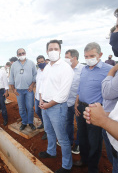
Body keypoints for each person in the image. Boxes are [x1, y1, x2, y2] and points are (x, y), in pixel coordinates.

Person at [84, 2, 118, 173]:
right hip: (106, 120)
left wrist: (104, 119)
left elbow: (107, 91)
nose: (115, 32)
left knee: (96, 145)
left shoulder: (109, 68)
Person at [74, 42, 112, 173]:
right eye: (86, 56)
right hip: (81, 107)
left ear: (100, 55)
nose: (89, 58)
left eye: (92, 55)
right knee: (82, 137)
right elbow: (80, 86)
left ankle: (92, 168)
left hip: (95, 110)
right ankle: (84, 160)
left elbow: (112, 91)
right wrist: (76, 102)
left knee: (94, 141)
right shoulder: (84, 69)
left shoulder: (108, 70)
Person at [38, 40, 74, 173]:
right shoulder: (47, 67)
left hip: (57, 107)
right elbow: (42, 85)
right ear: (47, 51)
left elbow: (63, 94)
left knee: (62, 137)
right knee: (49, 131)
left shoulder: (65, 68)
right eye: (50, 49)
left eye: (55, 48)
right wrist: (41, 100)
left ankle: (67, 166)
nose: (53, 51)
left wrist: (48, 104)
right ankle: (51, 151)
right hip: (45, 105)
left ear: (60, 51)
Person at [9, 48, 37, 131]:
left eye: (23, 53)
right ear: (17, 55)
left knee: (30, 107)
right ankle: (24, 122)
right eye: (20, 54)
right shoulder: (14, 65)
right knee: (21, 108)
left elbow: (35, 75)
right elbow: (11, 78)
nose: (21, 55)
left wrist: (32, 85)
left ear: (25, 53)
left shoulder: (31, 63)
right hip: (18, 91)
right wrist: (13, 89)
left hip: (29, 90)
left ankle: (30, 122)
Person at [64, 49, 84, 155]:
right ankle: (69, 140)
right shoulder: (66, 69)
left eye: (67, 57)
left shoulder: (83, 69)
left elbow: (83, 87)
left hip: (78, 103)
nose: (65, 59)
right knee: (68, 122)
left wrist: (78, 101)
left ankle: (78, 144)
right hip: (67, 101)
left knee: (80, 125)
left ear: (74, 58)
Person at [35, 55, 47, 140]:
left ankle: (47, 131)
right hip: (37, 97)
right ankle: (43, 123)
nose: (40, 63)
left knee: (45, 115)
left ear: (45, 61)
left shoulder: (48, 71)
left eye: (42, 62)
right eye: (39, 62)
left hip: (45, 98)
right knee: (37, 111)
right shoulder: (38, 71)